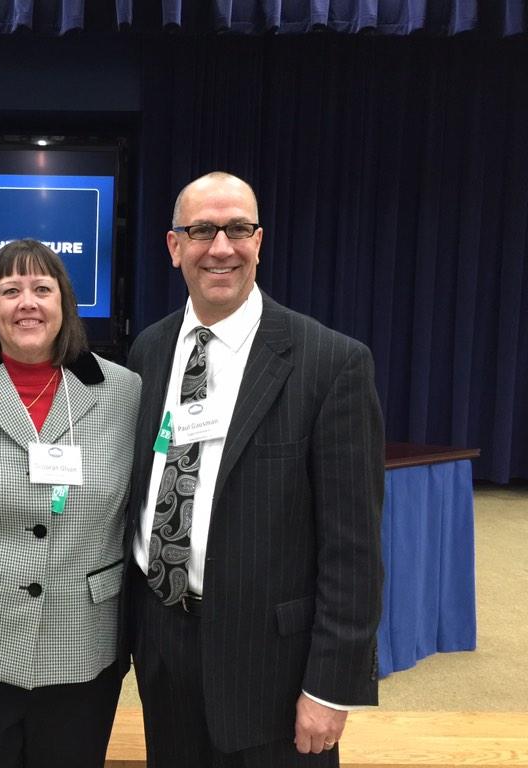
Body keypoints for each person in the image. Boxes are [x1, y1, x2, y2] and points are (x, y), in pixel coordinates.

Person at [125, 172, 384, 767]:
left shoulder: (331, 363)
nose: (221, 247)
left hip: (274, 670)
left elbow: (354, 550)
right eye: (202, 231)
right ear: (174, 247)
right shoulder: (150, 349)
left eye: (237, 228)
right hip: (166, 650)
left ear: (259, 241)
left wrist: (330, 687)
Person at [0, 239, 141, 768]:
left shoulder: (123, 390)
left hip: (80, 641)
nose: (26, 302)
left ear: (66, 304)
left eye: (42, 289)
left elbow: (133, 514)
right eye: (10, 290)